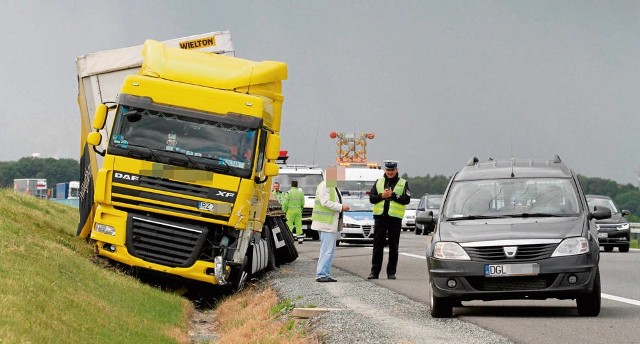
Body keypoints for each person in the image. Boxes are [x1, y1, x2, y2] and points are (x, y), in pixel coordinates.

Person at [368, 160, 411, 280]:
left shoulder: (403, 183)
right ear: (385, 170)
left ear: (396, 170)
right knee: (377, 246)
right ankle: (374, 272)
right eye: (388, 170)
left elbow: (406, 199)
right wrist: (382, 196)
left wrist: (393, 195)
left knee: (393, 246)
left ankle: (391, 272)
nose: (390, 172)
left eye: (392, 170)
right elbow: (372, 198)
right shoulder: (379, 182)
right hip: (380, 218)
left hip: (394, 219)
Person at [312, 166, 350, 282]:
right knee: (326, 251)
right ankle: (321, 274)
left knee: (330, 251)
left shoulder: (333, 187)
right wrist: (341, 207)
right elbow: (325, 202)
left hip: (330, 224)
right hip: (326, 224)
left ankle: (325, 273)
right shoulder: (325, 186)